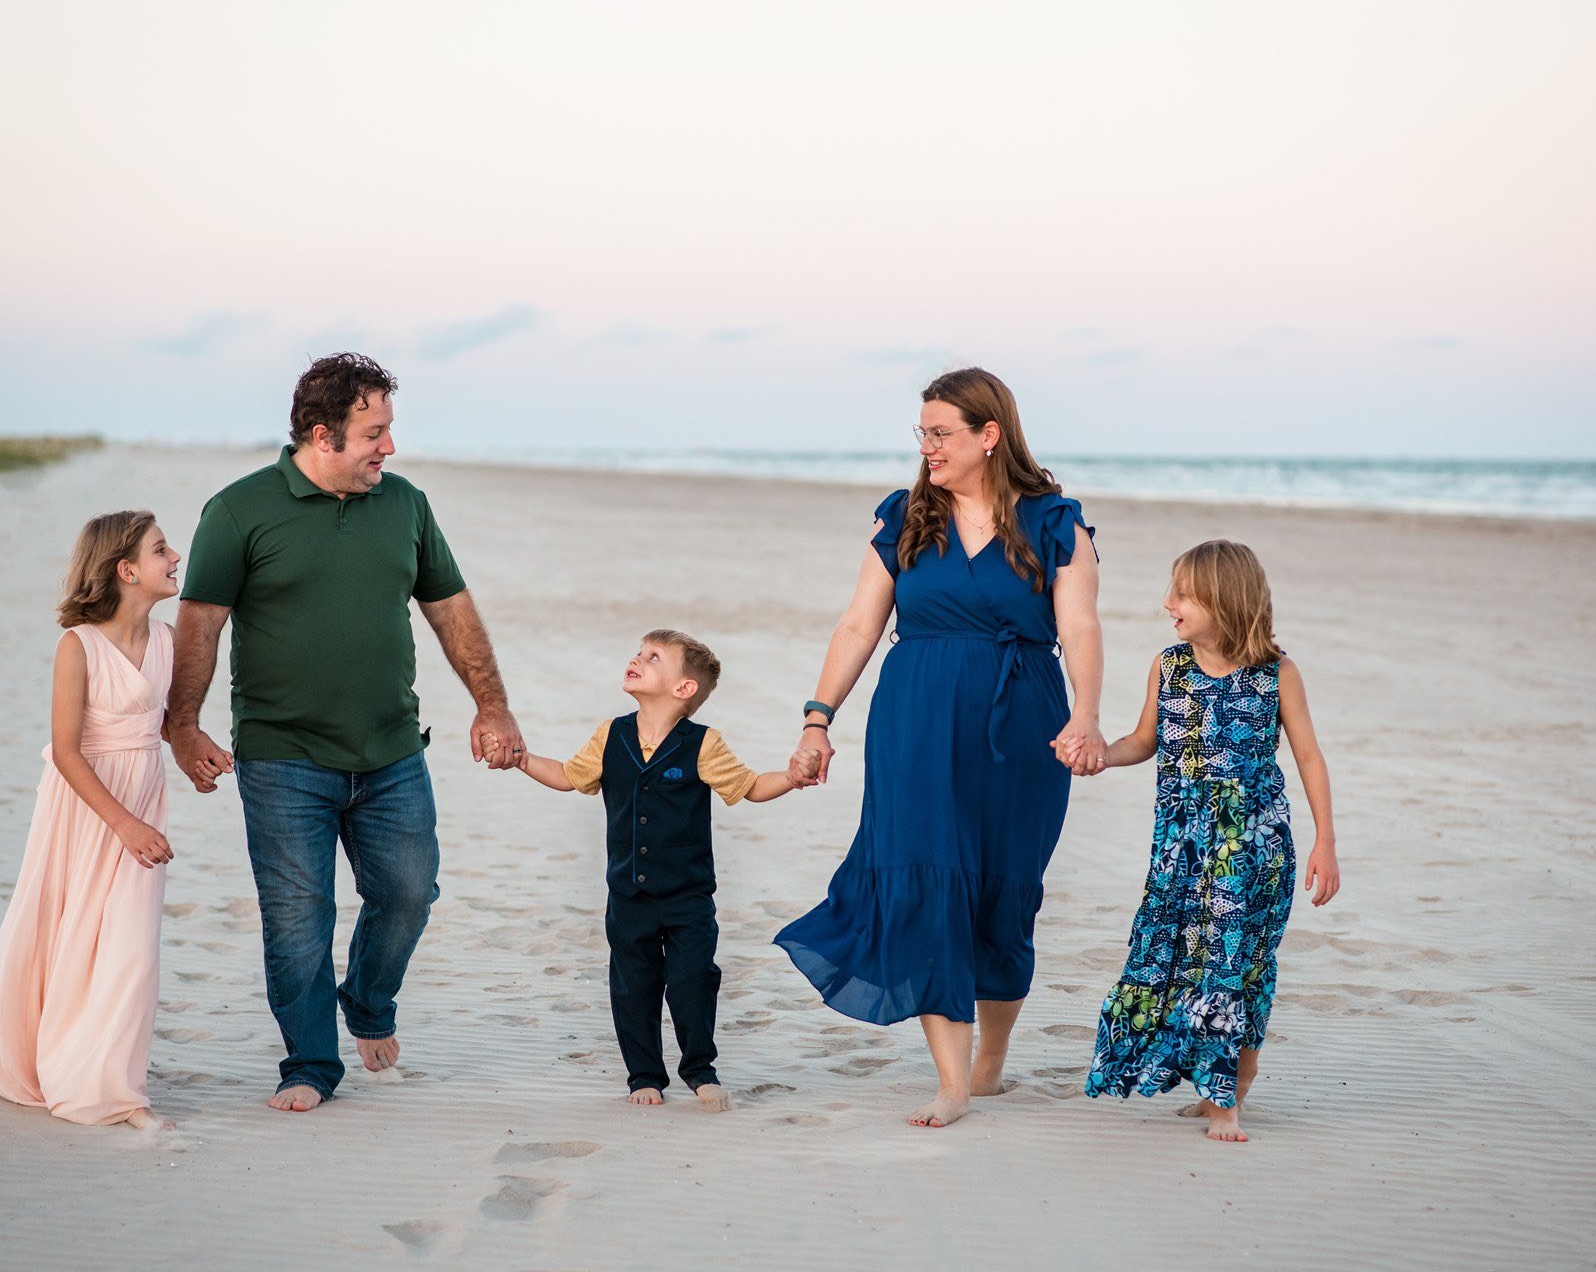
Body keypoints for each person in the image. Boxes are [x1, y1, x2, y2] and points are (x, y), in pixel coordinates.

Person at [167, 353, 525, 1112]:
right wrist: (183, 725)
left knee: (408, 892)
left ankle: (365, 998)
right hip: (282, 756)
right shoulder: (238, 511)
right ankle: (309, 1064)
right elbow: (199, 627)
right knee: (299, 916)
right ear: (324, 434)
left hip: (394, 749)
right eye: (376, 432)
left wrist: (491, 705)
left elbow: (452, 610)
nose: (389, 448)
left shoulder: (406, 505)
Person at [774, 367, 1109, 1128]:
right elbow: (859, 624)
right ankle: (951, 1081)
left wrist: (1086, 715)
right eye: (921, 432)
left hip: (1022, 723)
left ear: (988, 435)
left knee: (1005, 889)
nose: (926, 446)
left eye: (940, 432)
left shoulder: (1057, 523)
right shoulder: (905, 518)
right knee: (927, 880)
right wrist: (817, 717)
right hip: (915, 721)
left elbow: (1081, 627)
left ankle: (989, 1065)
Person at [1082, 539, 1340, 1142]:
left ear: (1223, 601)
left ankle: (1228, 1098)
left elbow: (1309, 757)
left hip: (1253, 850)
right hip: (1180, 849)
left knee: (1239, 962)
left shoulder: (1276, 675)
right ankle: (1215, 1086)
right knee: (1182, 958)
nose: (1168, 603)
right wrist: (1100, 754)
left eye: (1183, 594)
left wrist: (1325, 841)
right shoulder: (1168, 666)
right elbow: (1145, 740)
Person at [504, 631, 820, 1112]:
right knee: (633, 985)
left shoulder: (703, 744)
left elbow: (750, 786)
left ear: (684, 689)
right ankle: (644, 1075)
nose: (636, 659)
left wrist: (793, 778)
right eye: (637, 652)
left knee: (694, 978)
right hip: (628, 894)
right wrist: (523, 760)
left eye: (653, 657)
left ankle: (699, 1069)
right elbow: (570, 776)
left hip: (688, 896)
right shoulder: (610, 735)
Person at [0, 511, 181, 1130]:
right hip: (88, 805)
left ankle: (110, 1078)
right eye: (160, 549)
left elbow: (161, 722)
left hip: (144, 795)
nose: (175, 556)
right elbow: (66, 749)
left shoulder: (167, 640)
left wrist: (196, 751)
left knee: (130, 942)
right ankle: (97, 1083)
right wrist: (122, 824)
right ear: (126, 570)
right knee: (70, 927)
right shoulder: (79, 646)